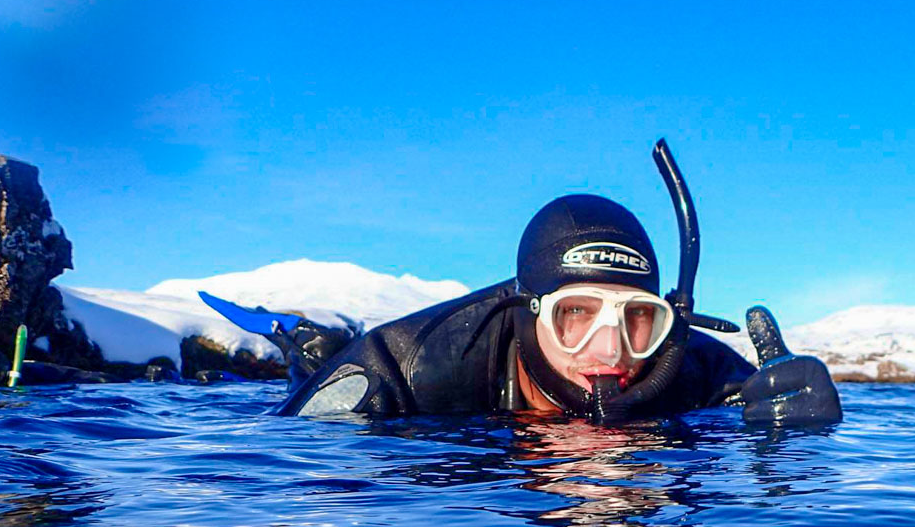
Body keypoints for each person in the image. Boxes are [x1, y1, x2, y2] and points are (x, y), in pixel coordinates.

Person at [270, 141, 842, 425]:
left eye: (639, 317)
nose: (610, 351)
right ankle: (307, 345)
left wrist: (796, 432)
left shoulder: (693, 370)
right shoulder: (405, 368)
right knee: (314, 364)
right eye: (576, 313)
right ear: (526, 311)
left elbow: (767, 409)